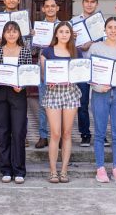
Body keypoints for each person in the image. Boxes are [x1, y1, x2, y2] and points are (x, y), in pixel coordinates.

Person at [88, 17, 116, 184]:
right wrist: (98, 87)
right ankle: (100, 168)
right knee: (99, 132)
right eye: (110, 27)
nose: (113, 30)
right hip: (101, 94)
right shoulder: (96, 47)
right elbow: (89, 72)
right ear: (104, 30)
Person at [0, 21, 32, 184]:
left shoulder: (25, 52)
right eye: (8, 31)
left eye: (14, 31)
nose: (11, 34)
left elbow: (29, 73)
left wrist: (22, 85)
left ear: (19, 34)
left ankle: (19, 170)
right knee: (2, 131)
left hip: (18, 93)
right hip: (0, 93)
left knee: (19, 131)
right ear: (3, 35)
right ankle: (6, 169)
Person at [40, 22, 81, 183]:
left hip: (70, 93)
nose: (64, 34)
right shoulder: (47, 52)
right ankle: (52, 171)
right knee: (55, 133)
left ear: (71, 35)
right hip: (53, 94)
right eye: (61, 31)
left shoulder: (75, 52)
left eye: (67, 32)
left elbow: (81, 73)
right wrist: (48, 79)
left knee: (67, 133)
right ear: (56, 34)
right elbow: (43, 75)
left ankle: (64, 170)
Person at [71, 0, 106, 147]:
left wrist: (91, 44)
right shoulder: (73, 21)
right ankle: (85, 134)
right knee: (82, 101)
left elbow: (107, 42)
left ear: (96, 4)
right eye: (87, 1)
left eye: (93, 1)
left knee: (100, 103)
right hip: (81, 66)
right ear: (82, 3)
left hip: (98, 66)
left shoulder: (102, 22)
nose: (89, 4)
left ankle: (102, 134)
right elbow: (67, 42)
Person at [35, 0, 60, 149]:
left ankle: (60, 137)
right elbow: (32, 50)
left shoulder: (65, 26)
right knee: (44, 103)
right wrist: (32, 37)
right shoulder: (38, 27)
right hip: (43, 69)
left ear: (57, 8)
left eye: (53, 6)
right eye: (47, 6)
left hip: (61, 69)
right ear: (43, 9)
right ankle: (43, 136)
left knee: (61, 105)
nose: (50, 8)